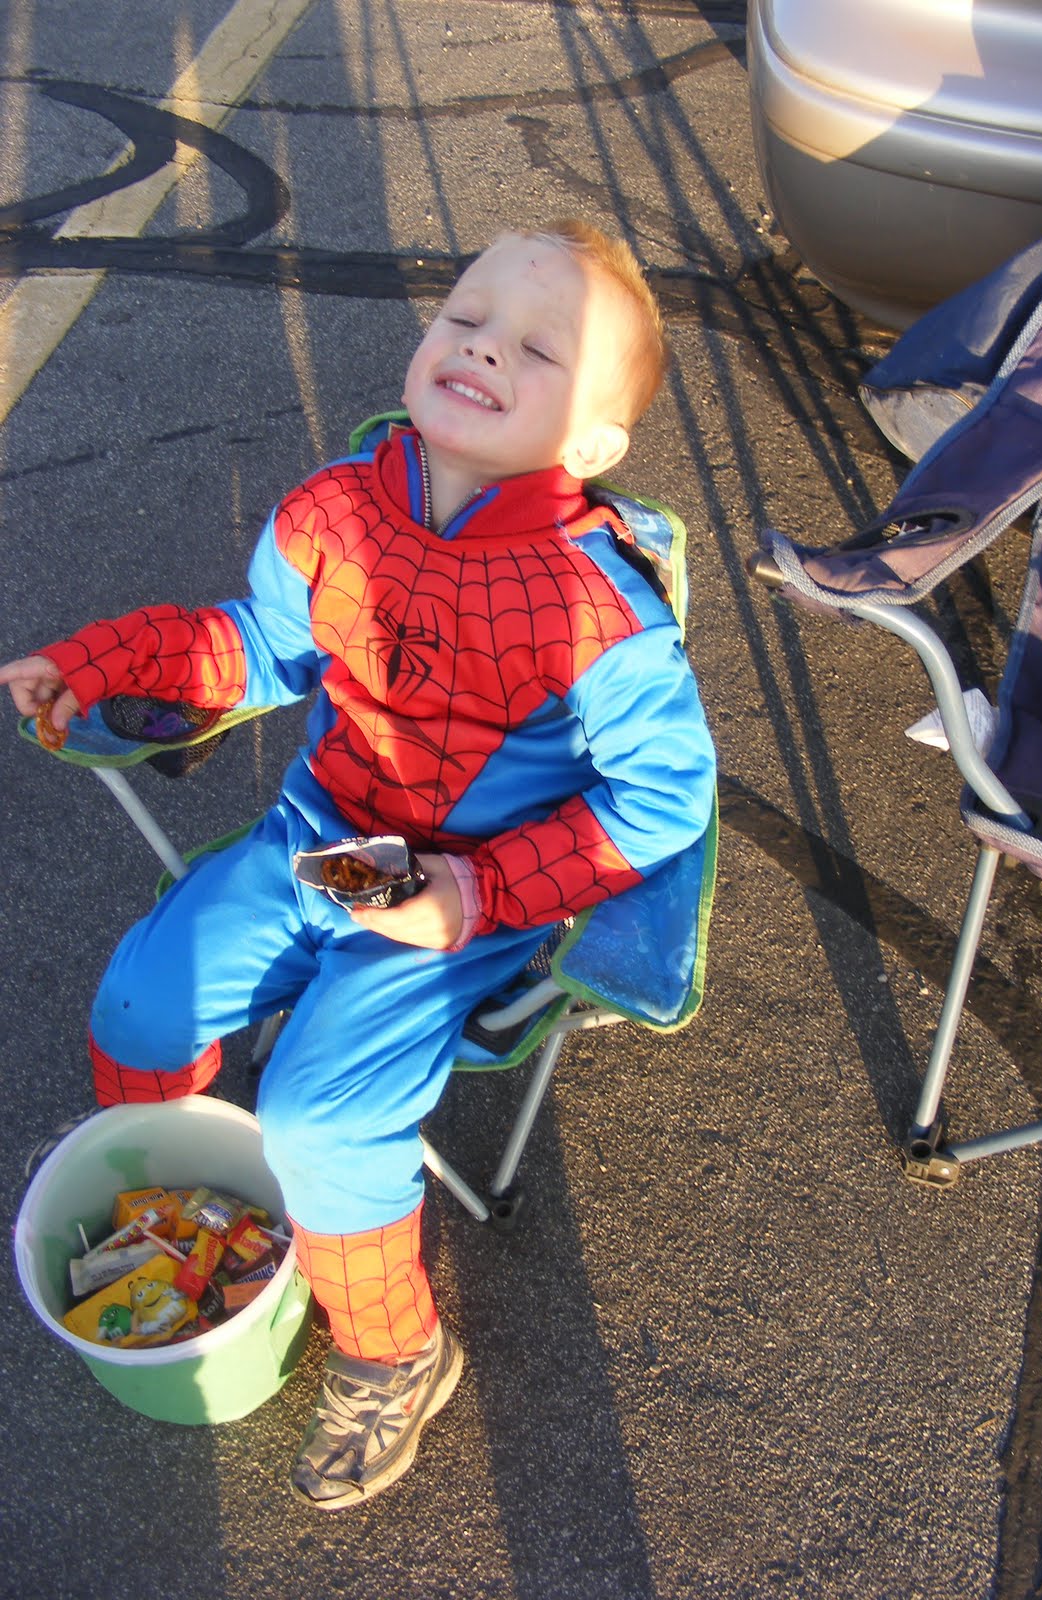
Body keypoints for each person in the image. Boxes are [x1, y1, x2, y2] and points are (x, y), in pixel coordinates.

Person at [0, 219, 715, 1510]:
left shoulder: (598, 605)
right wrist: (102, 663)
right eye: (468, 320)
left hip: (460, 887)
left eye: (540, 351)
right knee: (141, 1005)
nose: (486, 349)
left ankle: (394, 1351)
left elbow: (666, 799)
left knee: (324, 1117)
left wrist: (480, 896)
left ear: (597, 445)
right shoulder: (331, 512)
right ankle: (173, 1205)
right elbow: (258, 648)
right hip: (331, 841)